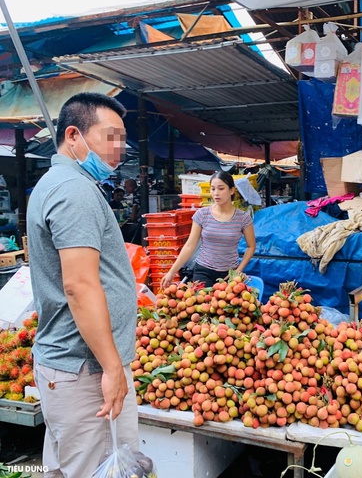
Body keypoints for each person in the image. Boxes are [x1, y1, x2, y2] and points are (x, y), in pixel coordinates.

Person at [26, 93, 138, 477]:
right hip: (86, 368)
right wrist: (111, 367)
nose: (120, 149)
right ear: (74, 135)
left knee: (69, 467)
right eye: (111, 137)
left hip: (70, 364)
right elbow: (79, 285)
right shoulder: (74, 191)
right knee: (99, 469)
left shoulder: (58, 182)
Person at [161, 171, 256, 287]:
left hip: (229, 274)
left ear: (232, 190)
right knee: (201, 303)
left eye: (221, 189)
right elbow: (189, 246)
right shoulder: (202, 214)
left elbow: (251, 246)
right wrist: (171, 272)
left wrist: (238, 271)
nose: (216, 193)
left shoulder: (243, 218)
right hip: (203, 271)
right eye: (213, 189)